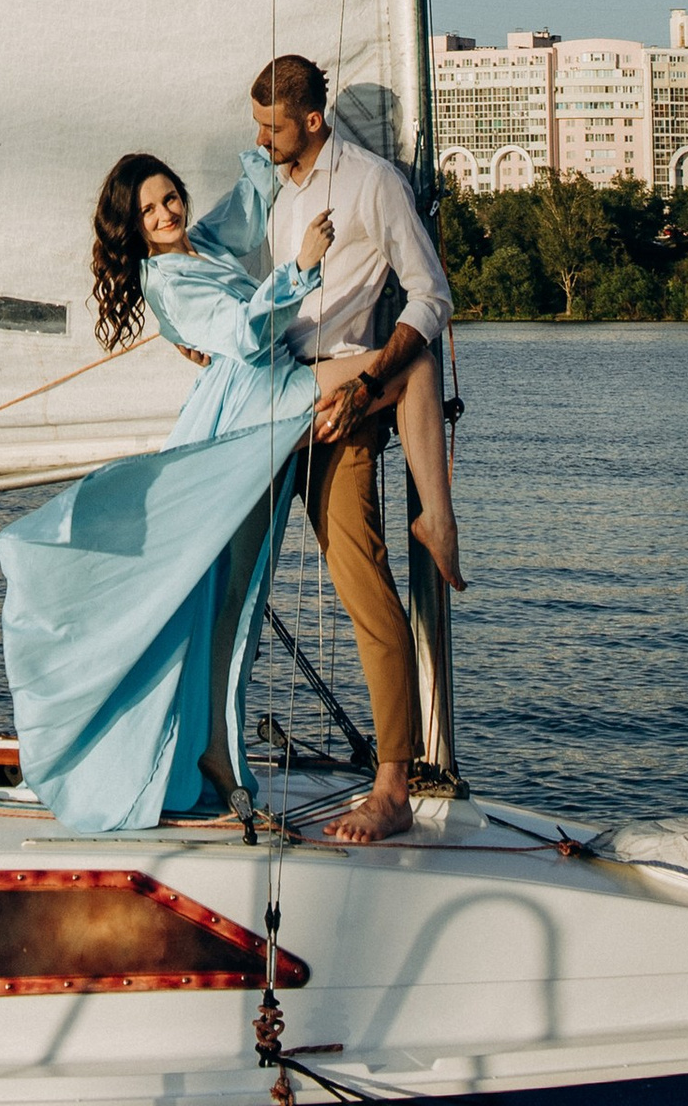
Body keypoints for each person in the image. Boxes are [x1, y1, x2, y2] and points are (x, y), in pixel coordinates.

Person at [0, 149, 331, 834]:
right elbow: (241, 332)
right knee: (223, 600)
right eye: (150, 210)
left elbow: (243, 208)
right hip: (239, 414)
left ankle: (216, 750)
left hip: (258, 399)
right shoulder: (166, 281)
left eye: (170, 196)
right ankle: (214, 755)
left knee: (238, 596)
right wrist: (300, 266)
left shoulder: (199, 244)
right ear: (135, 228)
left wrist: (270, 153)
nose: (166, 212)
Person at [243, 50, 459, 847]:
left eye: (272, 127)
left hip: (344, 402)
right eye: (257, 126)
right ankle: (206, 763)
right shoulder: (277, 196)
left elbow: (431, 294)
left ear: (309, 120)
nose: (262, 139)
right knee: (221, 580)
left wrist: (369, 391)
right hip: (274, 399)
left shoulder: (371, 183)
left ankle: (395, 786)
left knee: (363, 585)